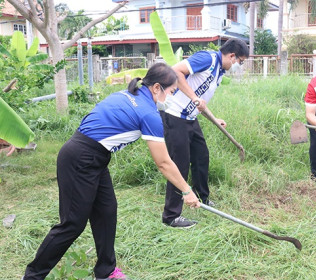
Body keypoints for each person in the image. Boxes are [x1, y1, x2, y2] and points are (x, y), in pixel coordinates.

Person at [22, 63, 200, 280]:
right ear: (156, 88)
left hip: (94, 155)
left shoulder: (125, 95)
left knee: (107, 211)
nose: (171, 97)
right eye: (171, 92)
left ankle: (106, 271)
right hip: (81, 158)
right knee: (72, 224)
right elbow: (163, 163)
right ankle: (32, 276)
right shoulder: (148, 114)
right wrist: (186, 191)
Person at [160, 38, 249, 228]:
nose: (238, 66)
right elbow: (175, 71)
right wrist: (193, 98)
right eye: (239, 61)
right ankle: (171, 216)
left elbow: (200, 102)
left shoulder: (219, 71)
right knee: (179, 165)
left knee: (202, 157)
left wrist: (214, 119)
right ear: (232, 56)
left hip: (190, 118)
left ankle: (202, 198)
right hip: (175, 116)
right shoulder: (208, 59)